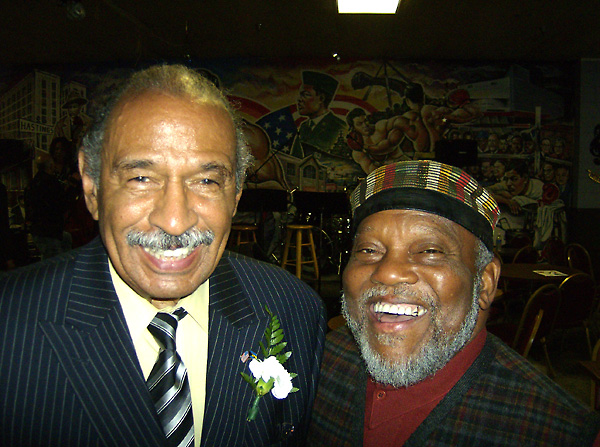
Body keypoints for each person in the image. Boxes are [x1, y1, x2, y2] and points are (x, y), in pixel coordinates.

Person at [0, 64, 326, 447]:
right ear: (92, 188)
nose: (174, 220)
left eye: (206, 181)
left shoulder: (294, 310)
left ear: (236, 194)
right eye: (141, 178)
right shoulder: (10, 323)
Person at [307, 160, 600, 446]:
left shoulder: (558, 430)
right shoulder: (314, 365)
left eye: (430, 250)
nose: (387, 272)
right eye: (368, 250)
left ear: (485, 283)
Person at [26, 151, 73, 259]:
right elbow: (62, 204)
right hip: (50, 231)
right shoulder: (52, 183)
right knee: (57, 263)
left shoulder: (34, 183)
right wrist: (70, 188)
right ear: (51, 166)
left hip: (38, 231)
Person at [290, 70, 347, 158]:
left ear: (321, 99)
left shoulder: (339, 127)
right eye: (300, 95)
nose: (299, 99)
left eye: (305, 94)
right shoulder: (304, 127)